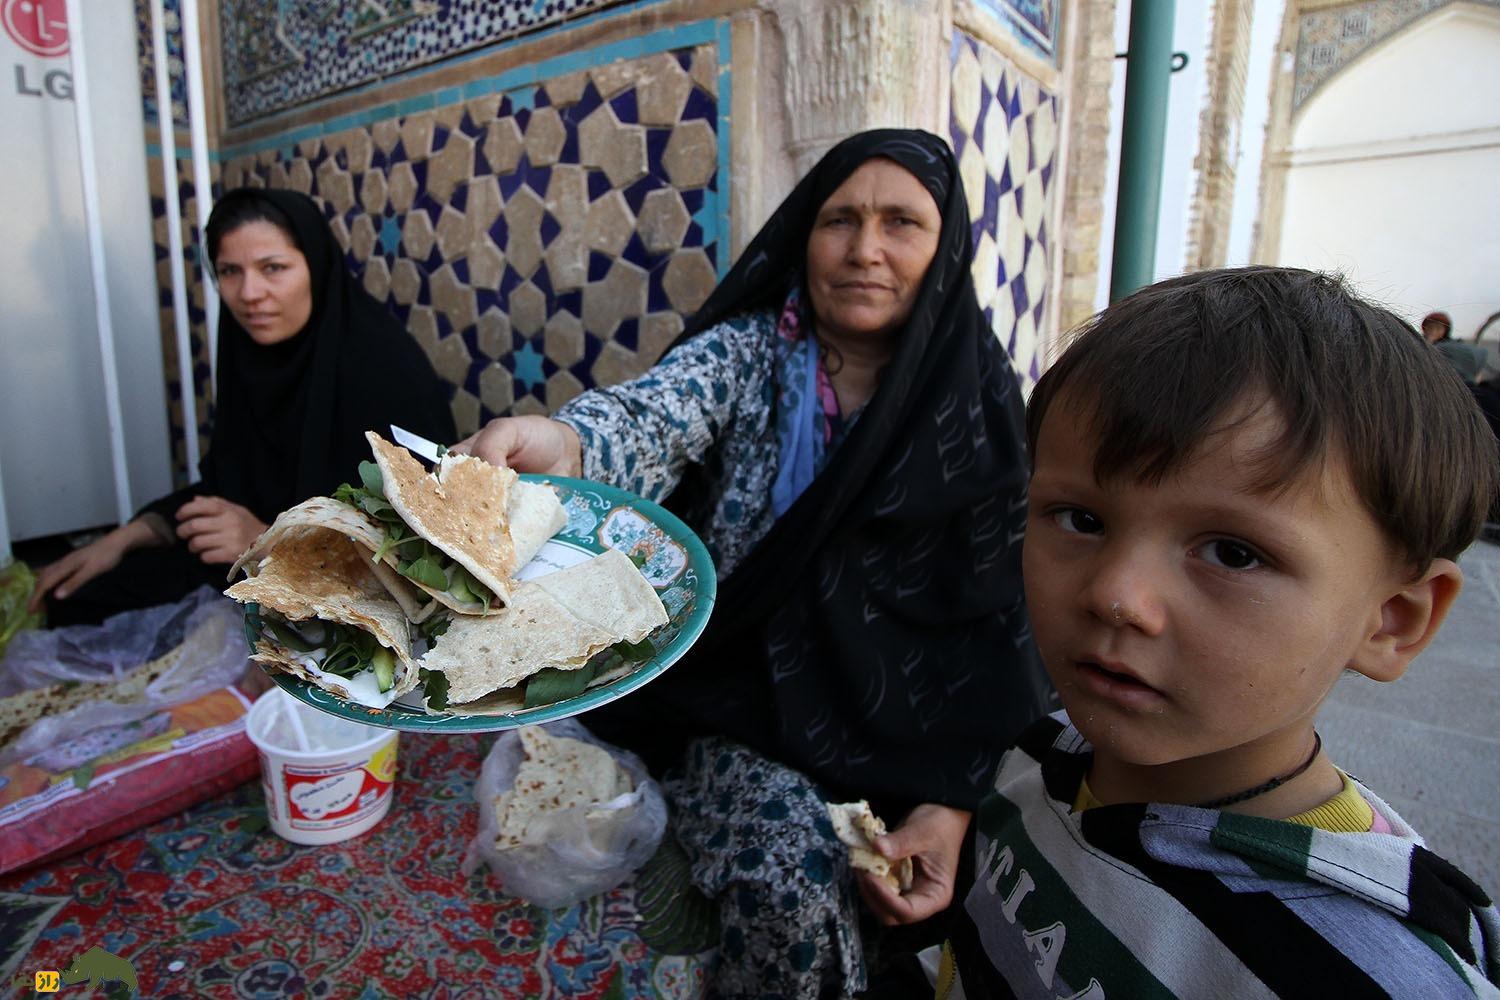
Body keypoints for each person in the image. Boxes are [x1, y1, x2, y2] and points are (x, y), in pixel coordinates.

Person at [454, 129, 1051, 997]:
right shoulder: (750, 356)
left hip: (919, 736)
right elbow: (655, 414)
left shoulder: (984, 410)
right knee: (790, 880)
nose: (865, 249)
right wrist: (568, 442)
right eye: (839, 220)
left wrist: (952, 800)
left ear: (947, 248)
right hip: (740, 702)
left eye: (901, 223)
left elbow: (1003, 624)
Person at [939, 267, 1500, 998]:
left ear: (1392, 620)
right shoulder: (1036, 760)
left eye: (1233, 554)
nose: (1116, 596)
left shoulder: (1372, 972)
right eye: (1082, 520)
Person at [30, 188, 455, 628]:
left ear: (315, 266)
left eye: (273, 268)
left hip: (355, 597)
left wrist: (268, 540)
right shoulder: (253, 355)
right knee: (74, 600)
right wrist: (130, 536)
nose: (249, 293)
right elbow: (231, 485)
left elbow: (420, 544)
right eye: (230, 271)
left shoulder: (383, 367)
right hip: (253, 559)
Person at [1423, 309, 1487, 385]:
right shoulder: (1419, 344)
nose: (1433, 331)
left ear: (1445, 331)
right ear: (1425, 329)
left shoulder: (1449, 347)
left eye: (1438, 328)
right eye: (1430, 328)